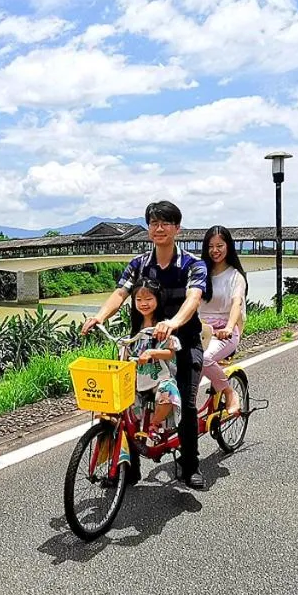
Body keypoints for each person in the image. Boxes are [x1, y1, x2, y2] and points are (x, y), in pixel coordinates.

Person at [82, 200, 209, 489]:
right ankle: (131, 468)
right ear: (148, 228)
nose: (159, 228)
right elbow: (120, 293)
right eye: (154, 223)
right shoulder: (138, 264)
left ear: (177, 228)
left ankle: (190, 466)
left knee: (187, 404)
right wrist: (99, 316)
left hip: (183, 342)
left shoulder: (192, 264)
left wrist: (173, 322)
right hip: (141, 344)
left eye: (165, 223)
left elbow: (194, 298)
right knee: (126, 403)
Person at [199, 225, 248, 417]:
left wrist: (228, 326)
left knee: (204, 358)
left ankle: (229, 392)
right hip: (201, 331)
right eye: (211, 246)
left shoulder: (236, 277)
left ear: (228, 246)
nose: (215, 250)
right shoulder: (200, 273)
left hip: (224, 333)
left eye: (220, 245)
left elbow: (236, 304)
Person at [125, 279, 181, 435]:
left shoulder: (163, 326)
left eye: (149, 299)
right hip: (139, 376)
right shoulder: (136, 326)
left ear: (158, 299)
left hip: (159, 375)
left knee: (168, 391)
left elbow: (171, 352)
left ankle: (155, 423)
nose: (144, 303)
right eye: (139, 300)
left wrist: (151, 353)